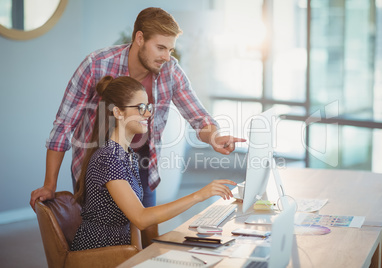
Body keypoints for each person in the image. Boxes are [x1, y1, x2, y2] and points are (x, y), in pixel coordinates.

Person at [30, 7, 245, 246]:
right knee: (103, 234)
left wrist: (214, 137)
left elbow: (198, 117)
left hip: (139, 161)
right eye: (161, 47)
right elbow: (63, 126)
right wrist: (50, 184)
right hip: (97, 160)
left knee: (146, 234)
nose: (167, 56)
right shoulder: (96, 65)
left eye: (170, 49)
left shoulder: (171, 71)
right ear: (139, 38)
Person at [70, 75, 236, 251]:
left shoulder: (126, 154)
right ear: (118, 112)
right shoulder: (108, 158)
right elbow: (141, 218)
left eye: (148, 107)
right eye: (141, 108)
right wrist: (199, 195)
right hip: (100, 253)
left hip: (122, 250)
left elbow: (133, 223)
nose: (148, 114)